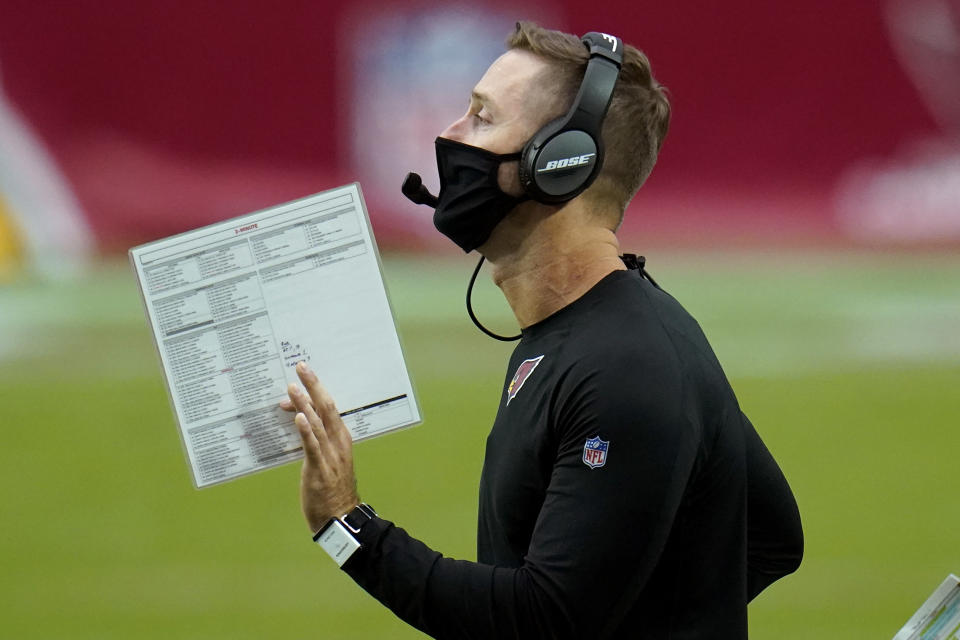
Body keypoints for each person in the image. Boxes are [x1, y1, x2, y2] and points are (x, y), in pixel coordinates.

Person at [280, 21, 803, 639]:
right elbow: (772, 536)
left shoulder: (624, 366)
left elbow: (542, 619)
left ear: (558, 165)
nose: (449, 136)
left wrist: (346, 526)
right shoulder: (609, 332)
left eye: (481, 116)